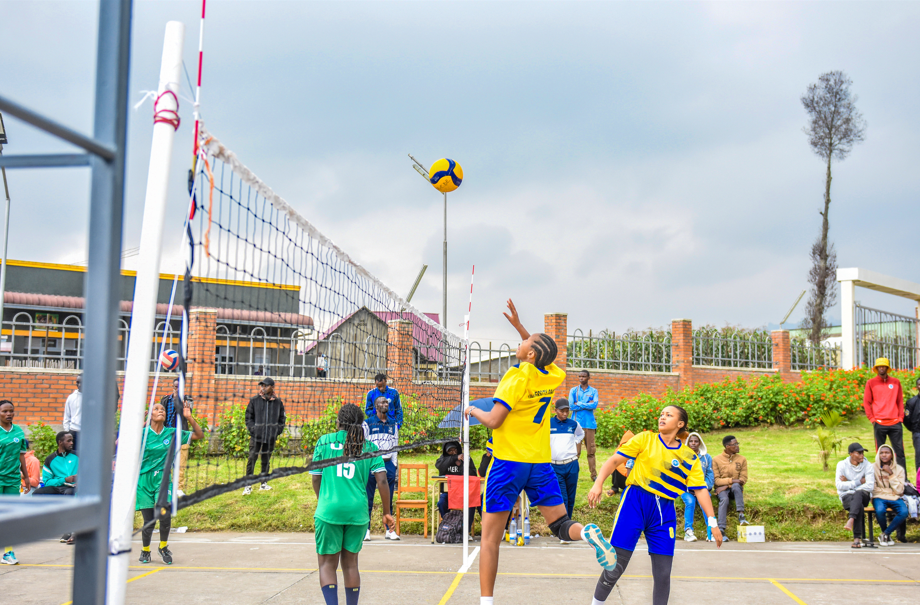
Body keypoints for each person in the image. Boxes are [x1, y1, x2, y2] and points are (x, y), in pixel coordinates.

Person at [464, 299, 616, 605]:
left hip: (508, 463)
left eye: (526, 341)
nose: (521, 342)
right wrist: (521, 328)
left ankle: (486, 602)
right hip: (539, 463)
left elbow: (494, 420)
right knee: (560, 525)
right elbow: (539, 354)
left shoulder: (515, 378)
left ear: (531, 354)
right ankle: (586, 533)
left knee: (490, 540)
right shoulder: (552, 375)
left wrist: (472, 410)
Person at [587, 406, 723, 605]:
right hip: (635, 502)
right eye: (661, 414)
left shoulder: (689, 457)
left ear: (680, 424)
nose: (662, 417)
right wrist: (598, 483)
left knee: (663, 574)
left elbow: (701, 490)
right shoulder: (645, 439)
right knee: (615, 566)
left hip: (664, 512)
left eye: (669, 415)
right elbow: (615, 460)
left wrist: (712, 522)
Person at [311, 403, 393, 605]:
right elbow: (382, 481)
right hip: (357, 513)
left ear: (338, 421)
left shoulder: (324, 441)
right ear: (361, 424)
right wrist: (386, 512)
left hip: (329, 510)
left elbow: (316, 478)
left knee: (327, 564)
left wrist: (324, 500)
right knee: (350, 565)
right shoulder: (369, 447)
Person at [136, 400, 204, 564]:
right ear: (150, 414)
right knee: (149, 521)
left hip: (163, 479)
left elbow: (199, 435)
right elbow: (119, 443)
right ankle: (145, 550)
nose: (161, 411)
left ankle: (163, 547)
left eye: (163, 409)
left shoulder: (172, 433)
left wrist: (189, 418)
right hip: (143, 480)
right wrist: (140, 424)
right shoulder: (142, 433)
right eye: (156, 409)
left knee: (164, 516)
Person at [363, 396, 399, 541]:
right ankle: (366, 530)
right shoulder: (367, 423)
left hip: (388, 464)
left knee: (388, 499)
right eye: (381, 402)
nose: (385, 404)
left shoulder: (393, 424)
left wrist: (394, 465)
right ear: (375, 406)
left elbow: (396, 444)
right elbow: (363, 444)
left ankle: (389, 530)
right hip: (371, 463)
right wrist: (366, 463)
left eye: (386, 402)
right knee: (368, 498)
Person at [33, 431, 79, 544]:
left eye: (72, 440)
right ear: (60, 442)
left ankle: (68, 530)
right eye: (69, 441)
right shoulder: (50, 459)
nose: (72, 443)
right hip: (59, 487)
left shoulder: (78, 455)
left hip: (74, 488)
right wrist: (64, 480)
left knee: (69, 493)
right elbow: (47, 481)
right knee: (37, 494)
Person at [0, 400, 31, 565]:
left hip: (12, 479)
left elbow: (21, 456)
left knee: (10, 515)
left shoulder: (18, 431)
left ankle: (8, 552)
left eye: (11, 411)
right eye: (4, 411)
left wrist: (26, 477)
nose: (8, 414)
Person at [244, 377, 286, 494]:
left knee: (266, 459)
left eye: (266, 385)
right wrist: (254, 430)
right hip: (256, 437)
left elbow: (282, 419)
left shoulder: (278, 402)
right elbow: (248, 417)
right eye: (262, 385)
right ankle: (248, 485)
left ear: (272, 387)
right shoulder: (254, 400)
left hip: (270, 437)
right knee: (252, 458)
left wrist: (276, 431)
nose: (263, 387)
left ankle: (263, 483)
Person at [864, 357, 906, 470]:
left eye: (884, 366)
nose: (881, 368)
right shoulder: (871, 383)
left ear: (887, 368)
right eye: (879, 366)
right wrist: (872, 419)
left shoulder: (896, 382)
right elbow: (867, 402)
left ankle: (903, 477)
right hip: (879, 422)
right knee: (880, 453)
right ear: (876, 368)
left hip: (895, 422)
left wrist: (900, 417)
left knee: (899, 452)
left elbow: (900, 401)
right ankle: (881, 476)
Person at [549, 398, 584, 527]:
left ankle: (567, 525)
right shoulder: (548, 423)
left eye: (567, 411)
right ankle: (563, 526)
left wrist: (575, 442)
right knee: (563, 497)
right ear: (555, 410)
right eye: (562, 411)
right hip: (555, 465)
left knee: (570, 497)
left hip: (572, 464)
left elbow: (581, 434)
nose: (565, 413)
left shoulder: (573, 424)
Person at [435, 439, 479, 536]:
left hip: (463, 493)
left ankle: (466, 531)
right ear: (446, 452)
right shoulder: (443, 459)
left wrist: (465, 464)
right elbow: (439, 466)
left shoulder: (465, 458)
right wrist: (454, 458)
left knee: (471, 504)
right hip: (448, 493)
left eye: (455, 450)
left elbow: (473, 474)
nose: (453, 452)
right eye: (450, 451)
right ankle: (449, 526)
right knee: (441, 503)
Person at [836, 442, 874, 548]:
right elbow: (839, 485)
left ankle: (851, 519)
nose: (862, 455)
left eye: (863, 453)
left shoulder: (868, 465)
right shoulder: (842, 465)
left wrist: (848, 483)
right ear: (851, 454)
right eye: (859, 453)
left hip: (863, 495)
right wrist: (858, 482)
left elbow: (870, 485)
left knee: (858, 494)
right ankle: (857, 539)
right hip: (847, 496)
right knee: (858, 505)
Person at [160, 378, 192, 495]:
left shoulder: (187, 400)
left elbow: (187, 413)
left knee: (181, 462)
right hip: (167, 435)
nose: (178, 389)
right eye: (176, 387)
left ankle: (179, 488)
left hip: (181, 434)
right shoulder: (165, 400)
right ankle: (167, 486)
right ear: (173, 387)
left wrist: (178, 399)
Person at [712, 434, 748, 538]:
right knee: (724, 499)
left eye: (737, 443)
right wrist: (732, 481)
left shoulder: (742, 459)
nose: (737, 446)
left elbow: (743, 479)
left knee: (736, 486)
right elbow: (716, 481)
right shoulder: (716, 460)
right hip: (722, 490)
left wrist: (726, 485)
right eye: (735, 444)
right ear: (727, 446)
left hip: (734, 489)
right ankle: (721, 529)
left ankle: (741, 515)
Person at [681, 432, 715, 542]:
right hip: (687, 490)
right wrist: (692, 489)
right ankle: (688, 531)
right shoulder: (683, 457)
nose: (693, 443)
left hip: (702, 488)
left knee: (705, 504)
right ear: (688, 443)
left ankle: (711, 532)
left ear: (700, 443)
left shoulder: (706, 457)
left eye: (696, 441)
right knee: (690, 502)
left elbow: (710, 474)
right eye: (691, 441)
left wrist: (703, 488)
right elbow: (680, 475)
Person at [871, 444, 908, 546]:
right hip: (878, 497)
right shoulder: (872, 468)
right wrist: (890, 491)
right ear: (878, 455)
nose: (884, 455)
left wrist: (891, 474)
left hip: (895, 497)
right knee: (880, 511)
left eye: (887, 453)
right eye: (881, 453)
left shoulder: (899, 469)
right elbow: (873, 489)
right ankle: (886, 535)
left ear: (892, 455)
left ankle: (885, 534)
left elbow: (899, 490)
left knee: (904, 512)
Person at [569, 370, 600, 481]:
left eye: (584, 376)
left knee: (591, 451)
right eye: (580, 376)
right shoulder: (573, 390)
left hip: (589, 425)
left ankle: (594, 475)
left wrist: (579, 403)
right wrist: (587, 404)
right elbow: (571, 406)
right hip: (576, 424)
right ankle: (572, 475)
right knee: (575, 452)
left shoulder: (593, 391)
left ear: (588, 378)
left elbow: (594, 405)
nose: (581, 378)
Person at [903, 377, 920, 475]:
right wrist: (914, 429)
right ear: (917, 387)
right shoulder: (911, 402)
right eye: (919, 384)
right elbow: (906, 419)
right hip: (918, 433)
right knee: (919, 457)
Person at [62, 375, 82, 453]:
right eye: (77, 382)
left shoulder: (92, 397)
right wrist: (67, 432)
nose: (79, 385)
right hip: (74, 431)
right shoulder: (71, 397)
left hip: (87, 433)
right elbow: (66, 417)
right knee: (73, 455)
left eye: (81, 382)